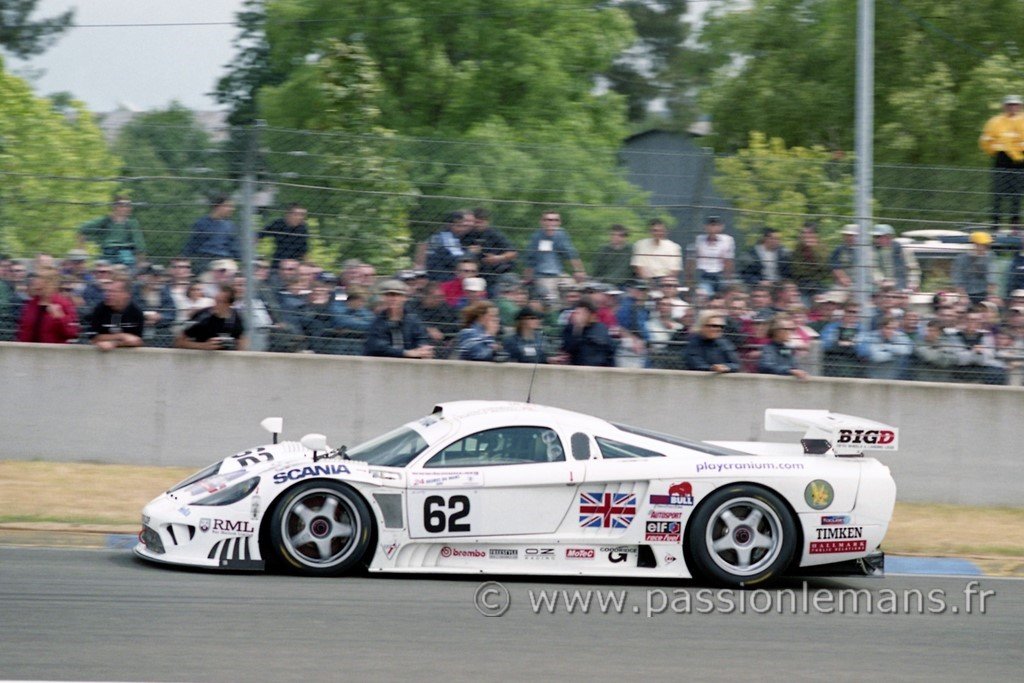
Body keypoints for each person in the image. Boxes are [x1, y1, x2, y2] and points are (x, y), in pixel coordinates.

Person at [979, 94, 1024, 227]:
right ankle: (995, 223)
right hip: (1001, 158)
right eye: (1009, 105)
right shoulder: (995, 121)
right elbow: (985, 140)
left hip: (1020, 160)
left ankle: (1014, 224)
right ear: (1004, 106)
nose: (1012, 107)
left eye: (1015, 105)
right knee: (998, 192)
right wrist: (996, 151)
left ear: (1020, 106)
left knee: (1017, 193)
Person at [523, 210, 586, 299]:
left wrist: (579, 271)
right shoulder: (536, 237)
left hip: (559, 274)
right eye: (548, 220)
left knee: (577, 291)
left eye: (555, 220)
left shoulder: (561, 234)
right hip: (543, 276)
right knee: (552, 298)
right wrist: (527, 278)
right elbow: (530, 260)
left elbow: (571, 254)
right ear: (542, 222)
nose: (552, 223)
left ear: (559, 222)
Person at [363, 279, 433, 359]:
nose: (393, 299)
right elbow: (379, 347)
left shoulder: (413, 320)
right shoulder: (377, 322)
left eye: (397, 295)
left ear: (405, 298)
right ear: (383, 298)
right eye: (388, 295)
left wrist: (423, 349)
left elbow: (421, 338)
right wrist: (406, 353)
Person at [76, 196, 146, 268]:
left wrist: (140, 262)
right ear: (114, 207)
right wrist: (81, 250)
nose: (126, 209)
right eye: (122, 206)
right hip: (108, 254)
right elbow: (83, 229)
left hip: (126, 255)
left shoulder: (132, 223)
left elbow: (140, 245)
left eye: (128, 206)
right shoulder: (105, 220)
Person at [174, 283, 247, 351]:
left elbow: (242, 342)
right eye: (215, 300)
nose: (215, 305)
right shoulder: (202, 316)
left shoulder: (236, 318)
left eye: (220, 302)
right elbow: (179, 342)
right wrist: (204, 346)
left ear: (229, 304)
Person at [16, 269, 80, 344]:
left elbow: (72, 333)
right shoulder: (31, 304)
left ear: (49, 282)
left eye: (39, 277)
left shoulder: (63, 304)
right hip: (29, 349)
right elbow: (24, 331)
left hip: (52, 350)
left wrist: (60, 317)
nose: (34, 280)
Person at [462, 208, 517, 290]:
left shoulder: (494, 234)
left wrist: (497, 258)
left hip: (497, 272)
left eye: (480, 222)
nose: (477, 225)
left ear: (487, 222)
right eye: (475, 222)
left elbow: (513, 253)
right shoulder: (467, 234)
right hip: (475, 273)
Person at [181, 195, 240, 271]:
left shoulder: (230, 226)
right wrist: (184, 257)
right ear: (217, 207)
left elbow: (234, 247)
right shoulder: (202, 223)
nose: (232, 209)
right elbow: (194, 243)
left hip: (224, 259)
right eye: (228, 206)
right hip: (206, 259)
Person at [90, 278, 145, 351]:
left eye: (113, 291)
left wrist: (114, 343)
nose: (108, 294)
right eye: (107, 291)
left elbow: (137, 341)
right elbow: (94, 338)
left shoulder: (136, 312)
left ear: (126, 294)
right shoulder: (100, 309)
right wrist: (122, 336)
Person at [560, 298, 615, 367]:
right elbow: (567, 349)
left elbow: (592, 359)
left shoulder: (599, 330)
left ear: (592, 316)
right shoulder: (570, 329)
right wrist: (577, 329)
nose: (577, 316)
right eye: (576, 312)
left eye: (582, 313)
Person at [855, 316, 913, 380]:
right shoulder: (871, 336)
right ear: (880, 328)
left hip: (895, 378)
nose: (891, 331)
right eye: (888, 328)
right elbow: (876, 357)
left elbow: (906, 350)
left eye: (894, 328)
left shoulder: (900, 335)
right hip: (873, 378)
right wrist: (896, 355)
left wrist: (885, 346)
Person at [422, 210, 474, 281]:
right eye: (458, 226)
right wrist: (470, 252)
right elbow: (455, 260)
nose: (461, 229)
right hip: (441, 276)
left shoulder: (453, 237)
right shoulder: (445, 237)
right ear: (449, 225)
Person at [690, 215, 735, 295]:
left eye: (716, 225)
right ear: (705, 227)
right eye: (710, 225)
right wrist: (690, 279)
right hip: (703, 273)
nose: (713, 227)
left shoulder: (727, 240)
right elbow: (692, 260)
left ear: (721, 227)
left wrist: (728, 279)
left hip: (720, 273)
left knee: (723, 294)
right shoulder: (698, 239)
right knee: (704, 293)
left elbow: (728, 260)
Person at [819, 303, 864, 378]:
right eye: (850, 312)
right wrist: (837, 343)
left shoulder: (862, 329)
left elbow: (864, 351)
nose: (853, 315)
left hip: (854, 367)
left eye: (856, 312)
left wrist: (852, 345)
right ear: (843, 312)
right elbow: (824, 345)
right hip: (833, 366)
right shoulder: (831, 327)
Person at [953, 231, 998, 304]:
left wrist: (990, 294)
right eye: (983, 245)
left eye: (987, 245)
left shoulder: (990, 256)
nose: (985, 248)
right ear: (974, 244)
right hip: (967, 293)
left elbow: (992, 277)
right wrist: (963, 296)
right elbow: (958, 279)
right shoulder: (962, 258)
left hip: (984, 293)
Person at [757, 313, 808, 379]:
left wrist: (795, 371)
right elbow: (767, 366)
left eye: (792, 329)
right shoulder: (769, 348)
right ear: (777, 331)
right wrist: (789, 371)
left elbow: (793, 365)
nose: (791, 332)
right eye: (787, 329)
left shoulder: (786, 349)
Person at [789, 222, 830, 302]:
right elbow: (796, 269)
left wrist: (813, 248)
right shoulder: (798, 248)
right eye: (803, 233)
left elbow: (824, 267)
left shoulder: (822, 248)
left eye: (808, 233)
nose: (805, 235)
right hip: (802, 283)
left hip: (819, 283)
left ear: (815, 235)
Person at [871, 225, 907, 291]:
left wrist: (913, 283)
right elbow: (873, 268)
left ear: (890, 237)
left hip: (901, 285)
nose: (877, 240)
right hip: (880, 287)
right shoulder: (872, 251)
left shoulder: (901, 249)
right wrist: (881, 281)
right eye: (876, 237)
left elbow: (912, 268)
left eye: (880, 237)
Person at [830, 224, 860, 290]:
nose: (850, 238)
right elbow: (836, 267)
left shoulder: (864, 250)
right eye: (848, 235)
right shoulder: (839, 250)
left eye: (853, 235)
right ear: (844, 236)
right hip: (843, 284)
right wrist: (843, 279)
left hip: (861, 283)